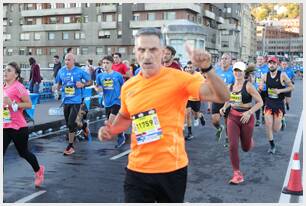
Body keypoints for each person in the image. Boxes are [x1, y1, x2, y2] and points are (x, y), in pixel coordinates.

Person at [98, 28, 229, 203]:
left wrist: (207, 68)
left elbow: (222, 96)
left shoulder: (180, 79)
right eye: (141, 50)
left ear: (162, 52)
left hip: (171, 170)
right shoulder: (129, 86)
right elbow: (125, 116)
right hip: (137, 169)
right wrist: (111, 130)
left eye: (153, 50)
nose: (147, 55)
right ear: (135, 52)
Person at [220, 62, 263, 184]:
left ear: (244, 73)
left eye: (240, 71)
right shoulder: (230, 86)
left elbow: (260, 102)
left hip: (246, 118)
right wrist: (224, 108)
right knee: (233, 145)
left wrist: (249, 112)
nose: (237, 73)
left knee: (245, 148)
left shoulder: (248, 86)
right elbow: (229, 100)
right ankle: (237, 173)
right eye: (235, 70)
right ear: (233, 72)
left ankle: (249, 142)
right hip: (233, 117)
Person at [3, 62, 45, 187]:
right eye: (5, 70)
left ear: (16, 75)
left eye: (9, 70)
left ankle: (38, 171)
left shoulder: (18, 87)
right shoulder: (3, 87)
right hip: (5, 126)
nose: (5, 72)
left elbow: (29, 104)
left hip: (18, 127)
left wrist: (13, 104)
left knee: (23, 153)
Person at [55, 53, 92, 155]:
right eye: (65, 60)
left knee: (71, 123)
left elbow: (90, 81)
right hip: (66, 100)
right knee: (69, 124)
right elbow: (58, 83)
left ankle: (70, 146)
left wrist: (83, 84)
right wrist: (56, 89)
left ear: (73, 60)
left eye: (69, 60)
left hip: (76, 101)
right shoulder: (61, 71)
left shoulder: (80, 71)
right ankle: (84, 125)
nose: (67, 62)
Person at [259, 56, 294, 154]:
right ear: (268, 65)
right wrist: (260, 88)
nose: (272, 65)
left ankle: (282, 120)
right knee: (268, 125)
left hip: (279, 104)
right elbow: (261, 86)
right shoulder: (264, 76)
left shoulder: (282, 75)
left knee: (276, 129)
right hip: (269, 103)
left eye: (274, 63)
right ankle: (272, 145)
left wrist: (280, 90)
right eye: (270, 63)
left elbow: (292, 87)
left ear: (277, 65)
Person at [95, 55, 126, 148]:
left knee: (112, 121)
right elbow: (98, 87)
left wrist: (122, 95)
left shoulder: (118, 75)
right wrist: (98, 89)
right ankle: (121, 135)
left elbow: (124, 86)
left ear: (112, 64)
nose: (105, 65)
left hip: (117, 101)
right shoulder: (100, 76)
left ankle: (118, 136)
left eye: (107, 63)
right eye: (103, 63)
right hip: (107, 102)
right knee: (112, 122)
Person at [212, 53, 234, 146]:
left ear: (230, 61)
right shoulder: (216, 71)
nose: (223, 60)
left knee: (227, 120)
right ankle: (219, 128)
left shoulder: (233, 72)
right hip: (217, 99)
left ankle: (227, 138)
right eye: (222, 59)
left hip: (228, 100)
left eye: (226, 59)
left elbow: (236, 87)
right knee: (215, 120)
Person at [184, 61, 206, 140]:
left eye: (191, 67)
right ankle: (190, 133)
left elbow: (204, 84)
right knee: (188, 114)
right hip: (187, 98)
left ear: (194, 67)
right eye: (188, 67)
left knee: (196, 114)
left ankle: (200, 116)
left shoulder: (199, 76)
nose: (189, 69)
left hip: (196, 98)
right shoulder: (185, 75)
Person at [254, 56, 269, 127]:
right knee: (257, 104)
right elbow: (253, 79)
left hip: (265, 89)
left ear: (264, 60)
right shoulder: (254, 68)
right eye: (258, 59)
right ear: (256, 60)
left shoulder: (267, 68)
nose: (259, 60)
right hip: (257, 90)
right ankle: (257, 120)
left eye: (261, 59)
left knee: (264, 104)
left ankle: (263, 116)